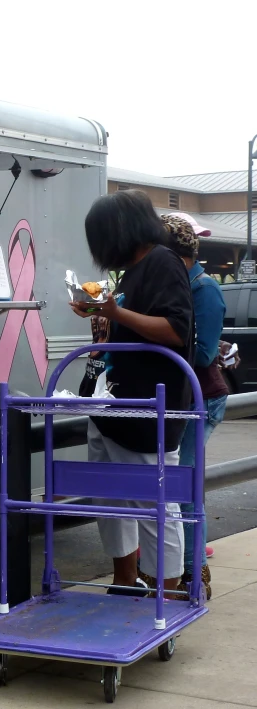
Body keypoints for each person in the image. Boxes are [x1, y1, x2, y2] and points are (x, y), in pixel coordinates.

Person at [70, 190, 194, 597]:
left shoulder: (163, 261)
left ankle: (167, 590)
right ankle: (125, 578)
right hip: (114, 403)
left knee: (153, 505)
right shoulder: (132, 271)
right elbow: (128, 327)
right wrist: (98, 314)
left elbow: (176, 330)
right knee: (110, 498)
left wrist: (113, 312)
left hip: (148, 409)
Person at [159, 213, 228, 600]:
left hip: (202, 398)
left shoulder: (204, 289)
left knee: (182, 486)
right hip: (176, 397)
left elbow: (202, 354)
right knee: (175, 486)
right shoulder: (173, 285)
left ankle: (192, 573)